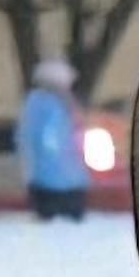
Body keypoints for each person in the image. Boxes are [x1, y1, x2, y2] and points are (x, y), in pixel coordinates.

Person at [16, 58, 89, 222]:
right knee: (61, 225)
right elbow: (48, 138)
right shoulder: (48, 103)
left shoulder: (40, 102)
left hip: (58, 178)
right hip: (57, 180)